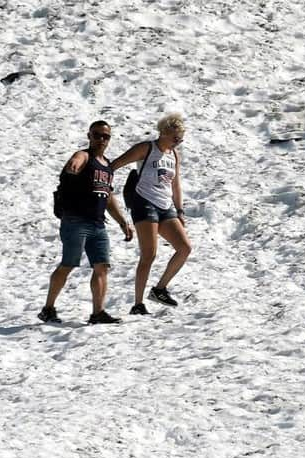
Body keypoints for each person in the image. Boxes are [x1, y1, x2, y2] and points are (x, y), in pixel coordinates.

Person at [38, 120, 133, 325]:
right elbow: (77, 159)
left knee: (101, 267)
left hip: (98, 224)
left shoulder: (107, 166)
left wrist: (122, 222)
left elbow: (108, 197)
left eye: (105, 136)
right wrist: (74, 163)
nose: (101, 139)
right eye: (97, 135)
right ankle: (48, 308)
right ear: (89, 136)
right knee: (68, 264)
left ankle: (98, 312)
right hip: (75, 221)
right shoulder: (84, 156)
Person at [111, 113, 192, 315]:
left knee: (184, 248)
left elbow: (176, 184)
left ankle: (160, 289)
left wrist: (179, 209)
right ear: (163, 132)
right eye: (175, 138)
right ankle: (138, 304)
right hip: (143, 202)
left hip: (165, 205)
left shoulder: (173, 156)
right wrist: (102, 184)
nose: (177, 143)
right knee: (149, 254)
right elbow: (115, 165)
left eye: (180, 139)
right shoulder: (146, 148)